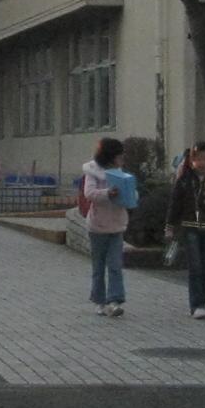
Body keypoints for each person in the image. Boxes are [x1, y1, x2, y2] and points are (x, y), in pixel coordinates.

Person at [163, 143, 205, 319]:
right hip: (190, 226)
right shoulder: (184, 181)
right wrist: (170, 226)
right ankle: (196, 304)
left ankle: (202, 301)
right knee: (195, 266)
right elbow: (175, 205)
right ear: (191, 161)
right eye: (197, 158)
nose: (202, 162)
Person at [80, 136, 132, 318]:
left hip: (117, 225)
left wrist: (131, 195)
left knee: (116, 265)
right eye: (120, 156)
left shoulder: (121, 173)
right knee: (99, 265)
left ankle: (115, 300)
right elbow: (89, 193)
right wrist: (107, 193)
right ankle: (99, 300)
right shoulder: (93, 171)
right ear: (110, 156)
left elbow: (131, 193)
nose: (122, 159)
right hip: (97, 226)